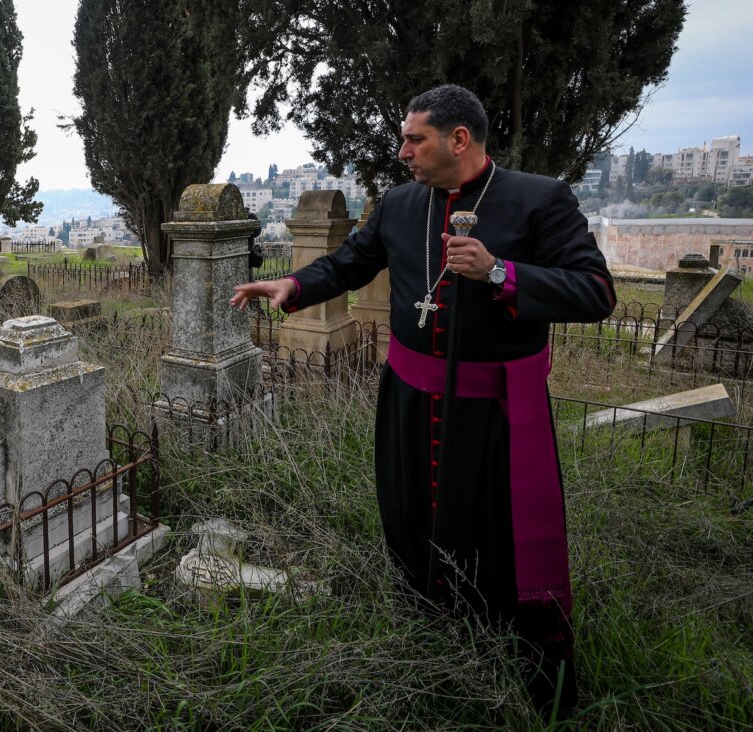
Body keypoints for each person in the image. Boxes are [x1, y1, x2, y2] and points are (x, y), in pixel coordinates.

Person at [230, 84, 615, 716]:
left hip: (496, 413)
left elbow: (596, 293)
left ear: (458, 139)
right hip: (407, 398)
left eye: (415, 140)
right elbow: (353, 263)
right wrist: (294, 283)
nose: (403, 152)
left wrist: (500, 272)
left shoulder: (540, 199)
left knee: (498, 534)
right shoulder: (401, 205)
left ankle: (510, 658)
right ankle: (427, 638)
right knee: (409, 513)